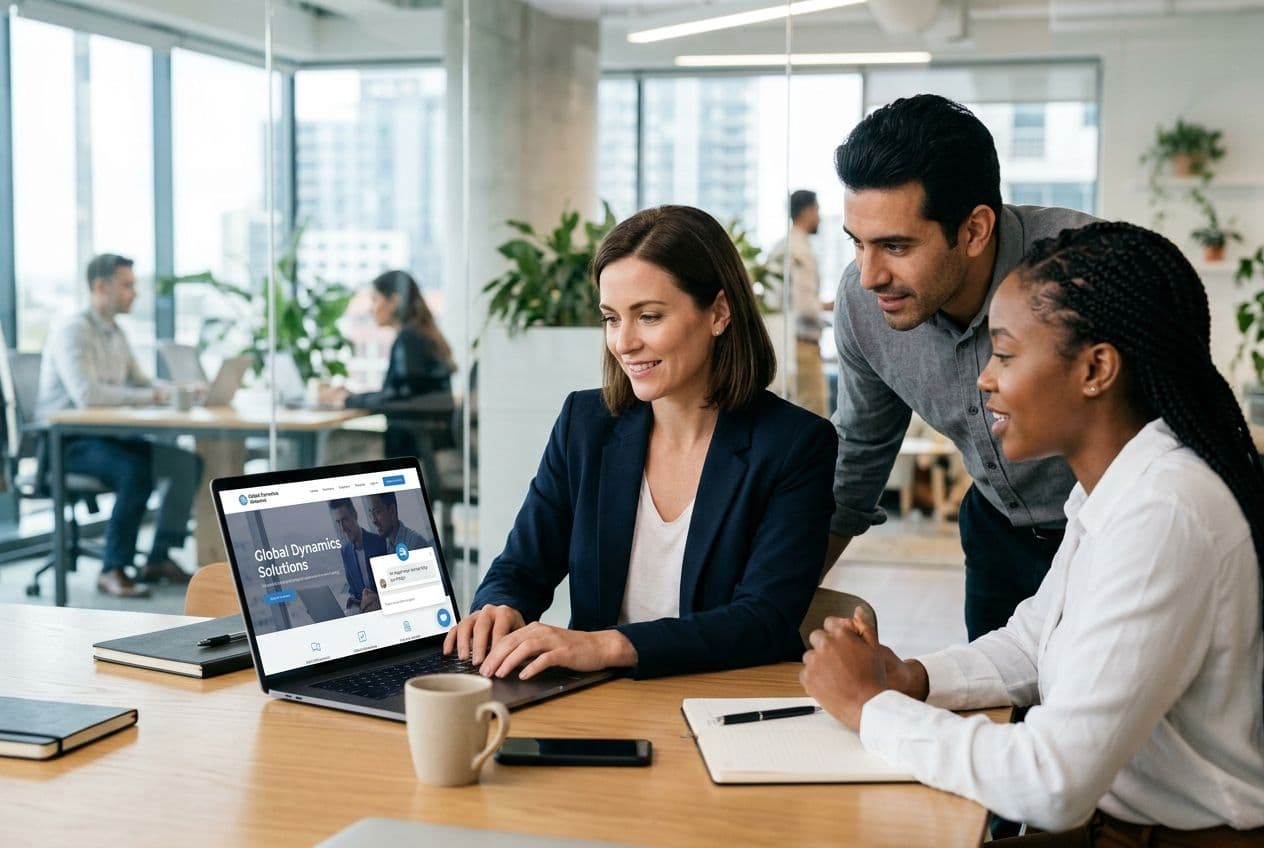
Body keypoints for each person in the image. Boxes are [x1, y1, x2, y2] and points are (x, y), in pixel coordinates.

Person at [801, 222, 1264, 844]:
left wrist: (870, 708)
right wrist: (911, 678)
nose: (984, 378)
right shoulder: (1118, 484)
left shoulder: (1165, 511)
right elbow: (1031, 643)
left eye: (1007, 354)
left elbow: (1053, 781)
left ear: (1096, 368)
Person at [443, 205, 837, 681]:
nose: (623, 342)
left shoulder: (795, 445)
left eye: (648, 317)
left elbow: (764, 621)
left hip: (718, 704)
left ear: (718, 312)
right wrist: (499, 606)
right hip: (596, 704)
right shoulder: (585, 424)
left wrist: (606, 645)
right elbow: (521, 566)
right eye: (612, 318)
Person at [826, 94, 1096, 640]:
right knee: (999, 702)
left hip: (1109, 532)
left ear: (974, 230)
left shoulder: (1088, 270)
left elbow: (1168, 430)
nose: (869, 274)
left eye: (895, 246)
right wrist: (774, 603)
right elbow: (857, 456)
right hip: (997, 531)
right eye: (858, 243)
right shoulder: (863, 304)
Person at [37, 254, 204, 599]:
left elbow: (140, 382)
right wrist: (153, 397)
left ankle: (158, 558)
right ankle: (113, 568)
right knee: (135, 470)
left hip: (109, 436)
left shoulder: (116, 332)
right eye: (127, 286)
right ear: (100, 287)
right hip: (68, 443)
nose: (135, 293)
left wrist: (172, 391)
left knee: (187, 463)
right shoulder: (73, 331)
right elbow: (88, 394)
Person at [322, 270, 456, 459]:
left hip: (414, 447)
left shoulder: (409, 339)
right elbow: (399, 393)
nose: (370, 308)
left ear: (394, 302)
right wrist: (352, 396)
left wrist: (348, 400)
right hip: (430, 442)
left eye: (375, 299)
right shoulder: (421, 335)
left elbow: (398, 399)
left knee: (334, 439)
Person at [768, 189, 831, 418]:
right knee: (814, 416)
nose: (819, 217)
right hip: (802, 345)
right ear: (807, 211)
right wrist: (833, 307)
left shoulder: (780, 246)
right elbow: (805, 307)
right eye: (818, 210)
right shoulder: (801, 250)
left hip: (784, 343)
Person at [328, 498, 387, 612]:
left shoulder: (380, 543)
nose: (342, 528)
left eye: (345, 520)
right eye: (338, 523)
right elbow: (354, 590)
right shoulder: (345, 552)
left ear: (355, 515)